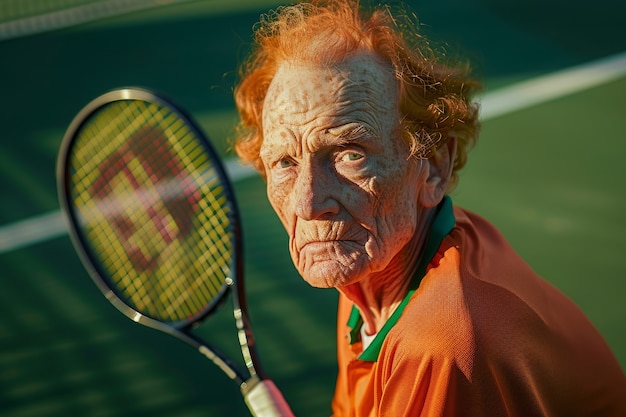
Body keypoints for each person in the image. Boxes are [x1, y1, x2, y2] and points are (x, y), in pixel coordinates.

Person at [232, 0, 626, 415]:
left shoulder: (442, 343)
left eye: (350, 153)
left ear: (434, 166)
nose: (308, 203)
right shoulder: (373, 266)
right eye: (284, 163)